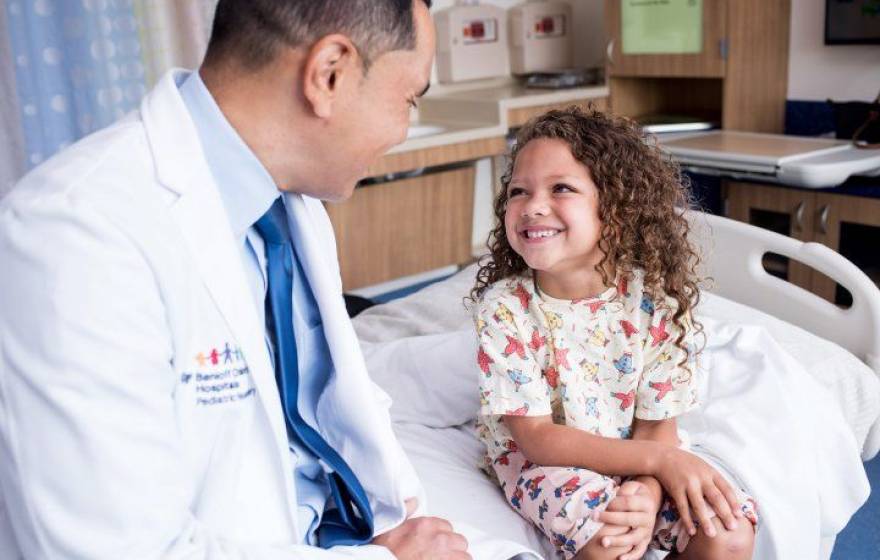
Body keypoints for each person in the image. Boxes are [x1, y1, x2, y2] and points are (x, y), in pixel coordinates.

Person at [0, 1, 472, 559]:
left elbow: (338, 414)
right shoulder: (74, 233)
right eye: (408, 98)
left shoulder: (290, 204)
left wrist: (393, 531)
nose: (403, 130)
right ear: (329, 74)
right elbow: (114, 549)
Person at [470, 107, 758, 560]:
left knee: (727, 531)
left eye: (561, 188)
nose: (532, 205)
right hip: (548, 462)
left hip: (639, 453)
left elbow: (657, 423)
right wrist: (660, 464)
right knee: (613, 541)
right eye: (517, 191)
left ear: (618, 210)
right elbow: (537, 438)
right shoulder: (506, 309)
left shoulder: (655, 302)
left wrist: (647, 492)